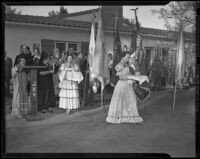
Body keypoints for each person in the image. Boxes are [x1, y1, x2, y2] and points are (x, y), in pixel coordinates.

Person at [106, 53, 143, 124]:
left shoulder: (130, 65)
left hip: (129, 84)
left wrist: (136, 68)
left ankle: (133, 117)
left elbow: (137, 74)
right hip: (121, 84)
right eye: (127, 57)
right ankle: (118, 117)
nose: (128, 58)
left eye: (129, 57)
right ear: (122, 57)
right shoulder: (119, 65)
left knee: (131, 100)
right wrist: (130, 77)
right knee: (119, 101)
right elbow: (120, 77)